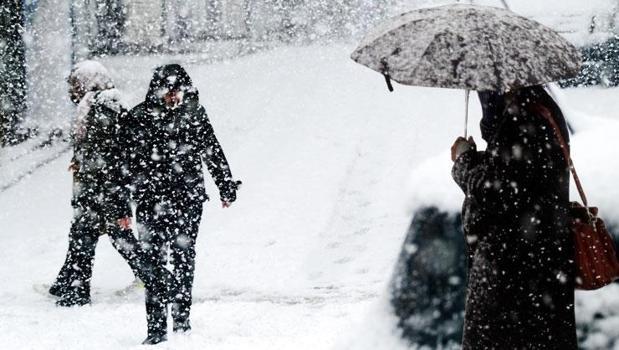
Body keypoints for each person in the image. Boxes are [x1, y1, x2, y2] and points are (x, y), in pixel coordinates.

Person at [450, 86, 577, 349]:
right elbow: (519, 175)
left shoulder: (521, 120)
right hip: (538, 265)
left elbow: (496, 191)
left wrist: (464, 161)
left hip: (512, 272)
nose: (482, 95)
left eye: (485, 91)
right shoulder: (539, 108)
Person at [122, 64, 240, 345]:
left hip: (188, 199)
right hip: (150, 201)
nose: (172, 96)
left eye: (177, 90)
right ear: (157, 90)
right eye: (168, 91)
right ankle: (156, 327)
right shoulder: (139, 117)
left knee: (183, 256)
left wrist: (225, 186)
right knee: (152, 260)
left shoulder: (194, 114)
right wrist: (122, 205)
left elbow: (212, 148)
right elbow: (124, 165)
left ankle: (182, 319)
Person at [50, 60, 170, 307]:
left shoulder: (102, 107)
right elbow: (97, 148)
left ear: (88, 81)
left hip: (102, 190)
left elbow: (111, 154)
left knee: (101, 238)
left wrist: (116, 201)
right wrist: (80, 160)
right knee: (87, 237)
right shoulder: (94, 105)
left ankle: (157, 280)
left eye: (75, 83)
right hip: (96, 188)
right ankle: (69, 284)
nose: (71, 90)